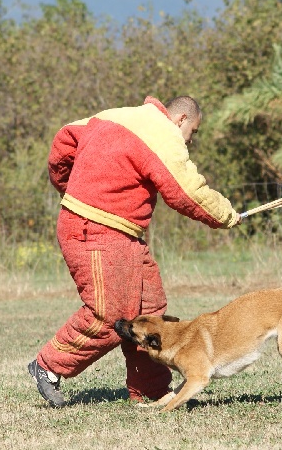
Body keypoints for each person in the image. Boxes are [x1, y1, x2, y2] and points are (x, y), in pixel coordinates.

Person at [28, 95, 240, 408]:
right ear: (180, 119)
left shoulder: (117, 114)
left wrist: (70, 186)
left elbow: (64, 142)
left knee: (150, 311)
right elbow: (185, 191)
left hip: (122, 232)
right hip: (95, 228)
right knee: (108, 314)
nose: (190, 141)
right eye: (192, 132)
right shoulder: (161, 134)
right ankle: (48, 365)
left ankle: (151, 389)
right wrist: (225, 214)